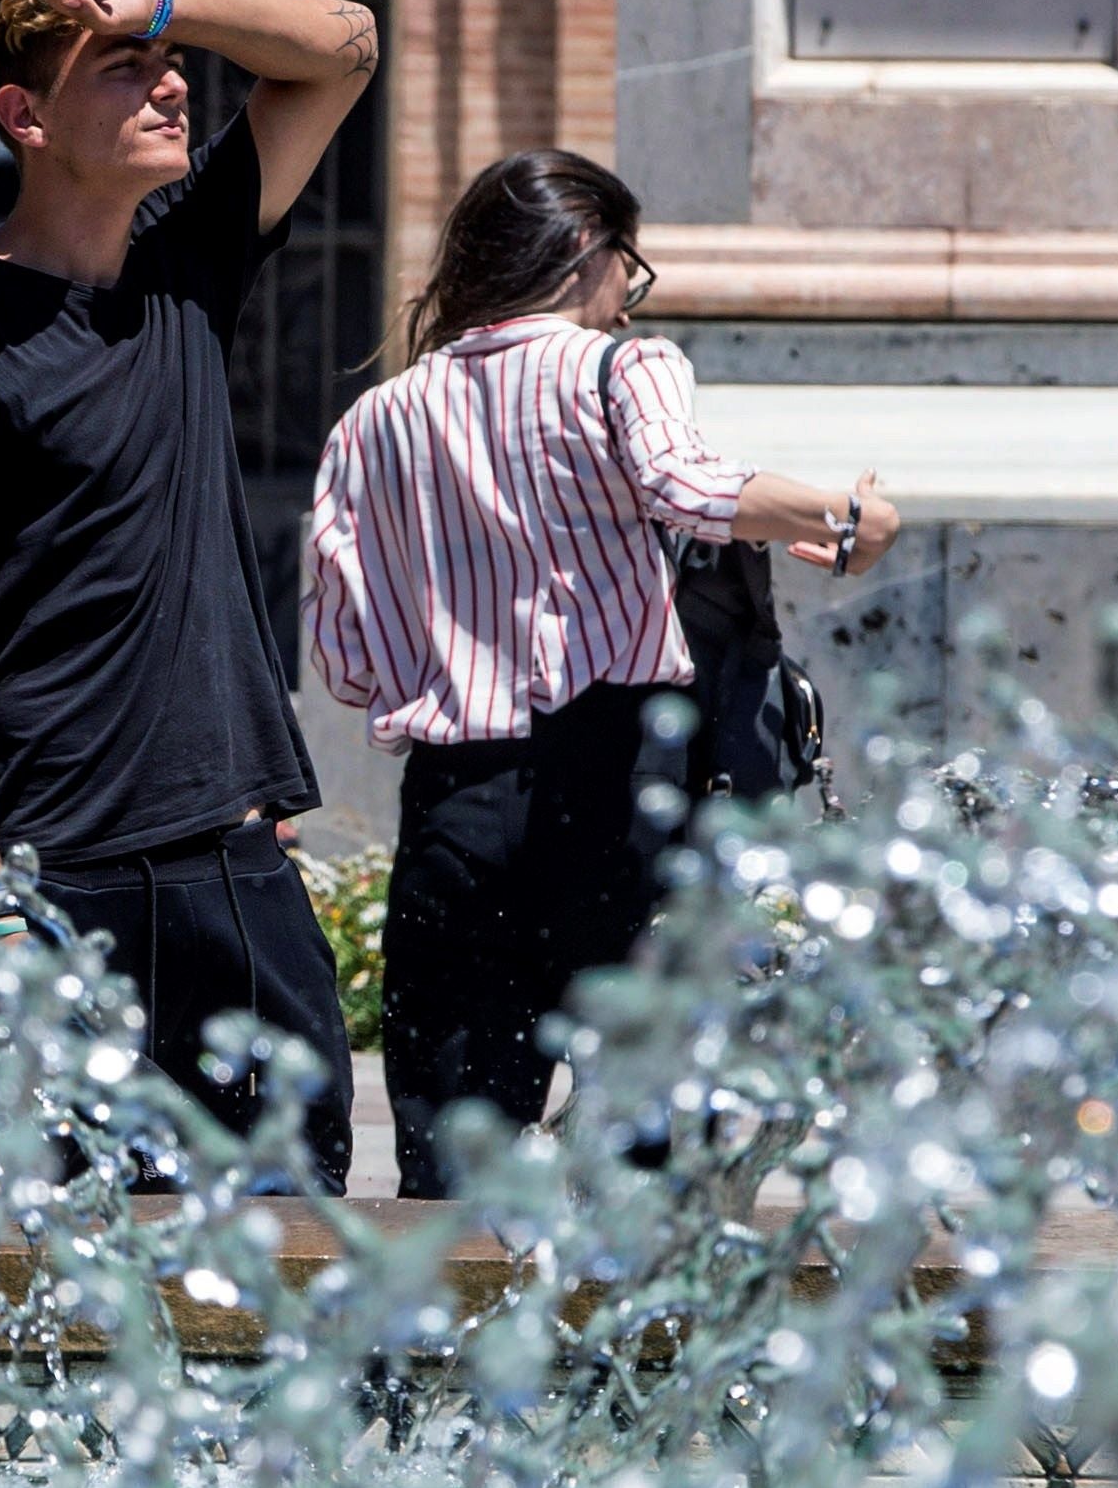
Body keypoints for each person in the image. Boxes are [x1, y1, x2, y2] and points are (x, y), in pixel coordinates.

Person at [0, 0, 378, 1192]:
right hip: (61, 888)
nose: (172, 80)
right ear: (24, 114)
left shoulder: (185, 271)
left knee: (297, 1284)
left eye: (168, 56)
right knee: (71, 1318)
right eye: (124, 65)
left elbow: (343, 49)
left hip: (240, 873)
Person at [303, 150, 903, 1198]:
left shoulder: (369, 425)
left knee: (451, 1174)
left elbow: (348, 660)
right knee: (648, 1162)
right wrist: (846, 520)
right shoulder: (619, 368)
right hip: (618, 793)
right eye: (630, 264)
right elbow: (686, 486)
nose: (630, 293)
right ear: (587, 247)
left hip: (451, 807)